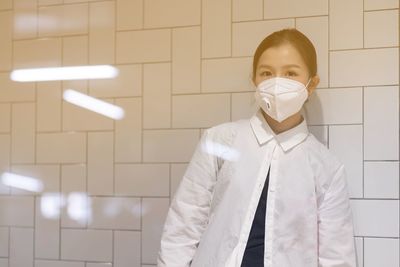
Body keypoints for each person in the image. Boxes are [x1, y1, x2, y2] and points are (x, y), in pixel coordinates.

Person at [157, 28, 357, 267]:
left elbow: (336, 256)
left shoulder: (327, 168)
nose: (276, 82)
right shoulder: (219, 141)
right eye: (266, 73)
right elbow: (183, 225)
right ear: (254, 80)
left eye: (291, 73)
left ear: (311, 84)